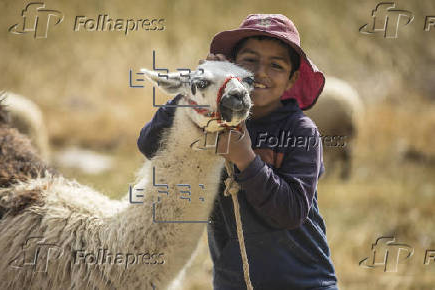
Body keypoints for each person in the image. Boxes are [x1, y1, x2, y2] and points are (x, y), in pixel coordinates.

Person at [137, 14, 338, 290]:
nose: (260, 73)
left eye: (276, 65)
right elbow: (150, 145)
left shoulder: (300, 132)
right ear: (231, 67)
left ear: (292, 79)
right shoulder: (212, 121)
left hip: (303, 281)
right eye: (250, 61)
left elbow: (291, 212)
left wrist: (246, 159)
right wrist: (196, 89)